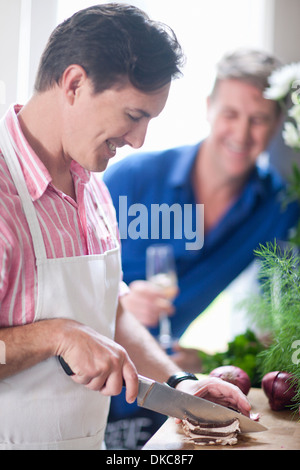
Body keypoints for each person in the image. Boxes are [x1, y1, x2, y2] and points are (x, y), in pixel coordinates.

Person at [0, 4, 251, 451]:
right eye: (134, 116)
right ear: (74, 84)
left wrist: (180, 384)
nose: (139, 141)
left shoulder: (93, 185)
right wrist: (54, 336)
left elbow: (110, 312)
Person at [103, 48, 300, 447]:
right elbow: (68, 283)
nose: (242, 134)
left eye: (259, 118)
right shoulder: (131, 178)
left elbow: (277, 320)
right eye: (230, 114)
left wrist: (205, 364)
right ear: (209, 108)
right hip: (88, 388)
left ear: (278, 122)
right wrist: (115, 302)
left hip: (170, 394)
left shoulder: (276, 206)